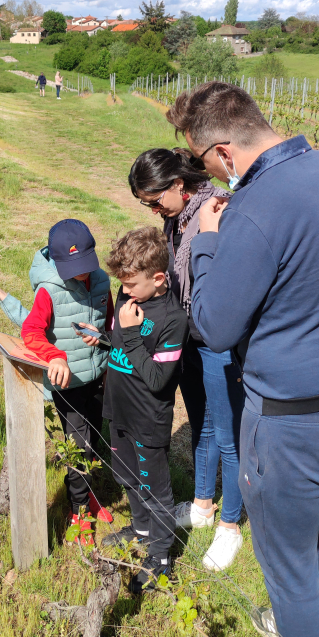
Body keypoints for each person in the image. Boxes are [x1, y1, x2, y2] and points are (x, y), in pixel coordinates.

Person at [167, 81, 319, 637]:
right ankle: (297, 612)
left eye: (199, 162)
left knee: (285, 570)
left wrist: (210, 243)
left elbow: (215, 324)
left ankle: (298, 634)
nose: (206, 176)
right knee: (312, 516)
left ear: (222, 152)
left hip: (300, 423)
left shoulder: (252, 209)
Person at [128, 148, 244, 570]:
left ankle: (230, 527)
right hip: (189, 335)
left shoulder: (217, 211)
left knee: (229, 434)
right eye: (146, 204)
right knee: (201, 425)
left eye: (155, 200)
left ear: (178, 184)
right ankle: (201, 505)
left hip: (216, 339)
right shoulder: (176, 217)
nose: (154, 209)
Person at [0, 219, 114, 543]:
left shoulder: (101, 282)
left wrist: (104, 338)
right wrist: (55, 356)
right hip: (67, 385)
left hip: (99, 378)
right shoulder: (49, 291)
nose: (82, 274)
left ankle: (89, 495)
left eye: (86, 265)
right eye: (74, 267)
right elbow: (31, 331)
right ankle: (80, 512)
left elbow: (109, 322)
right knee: (77, 446)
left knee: (94, 440)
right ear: (57, 262)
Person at [99, 227, 189, 593]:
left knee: (155, 489)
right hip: (117, 410)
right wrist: (105, 337)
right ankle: (139, 529)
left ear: (158, 278)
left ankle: (162, 557)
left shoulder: (173, 321)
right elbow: (122, 345)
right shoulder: (127, 302)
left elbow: (157, 380)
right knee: (128, 479)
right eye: (121, 283)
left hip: (147, 420)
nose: (124, 291)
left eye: (132, 284)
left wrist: (132, 334)